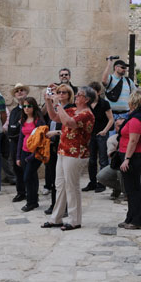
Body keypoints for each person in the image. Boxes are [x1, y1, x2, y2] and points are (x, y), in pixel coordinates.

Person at [41, 85, 95, 231]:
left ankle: (74, 220)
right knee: (60, 185)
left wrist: (58, 104)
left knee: (72, 186)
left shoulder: (87, 114)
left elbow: (69, 123)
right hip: (63, 151)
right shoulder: (72, 110)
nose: (76, 96)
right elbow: (54, 117)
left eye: (80, 95)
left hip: (76, 153)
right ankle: (56, 218)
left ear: (87, 99)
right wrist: (48, 101)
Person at [117, 90, 141, 230]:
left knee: (133, 190)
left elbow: (133, 140)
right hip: (136, 155)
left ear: (133, 103)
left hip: (134, 156)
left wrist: (127, 158)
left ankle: (139, 220)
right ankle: (131, 217)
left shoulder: (136, 119)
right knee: (131, 189)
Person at [43, 84, 71, 214]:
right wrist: (48, 100)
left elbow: (69, 128)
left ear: (69, 95)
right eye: (59, 92)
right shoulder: (56, 107)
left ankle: (64, 207)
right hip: (52, 145)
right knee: (54, 177)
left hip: (64, 146)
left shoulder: (70, 109)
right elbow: (50, 117)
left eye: (64, 92)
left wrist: (56, 133)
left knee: (63, 179)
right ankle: (54, 204)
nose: (60, 94)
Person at [83, 81, 114, 193]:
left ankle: (102, 183)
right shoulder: (86, 104)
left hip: (101, 134)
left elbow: (111, 119)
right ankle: (92, 182)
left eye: (93, 91)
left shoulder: (104, 103)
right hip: (90, 135)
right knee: (91, 160)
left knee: (103, 160)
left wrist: (105, 131)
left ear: (98, 92)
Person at [16, 97, 45, 212]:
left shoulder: (38, 121)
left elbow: (41, 140)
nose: (26, 108)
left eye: (29, 106)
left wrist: (32, 156)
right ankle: (34, 200)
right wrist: (18, 156)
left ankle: (30, 202)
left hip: (35, 153)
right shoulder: (23, 120)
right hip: (24, 151)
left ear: (34, 107)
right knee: (32, 177)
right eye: (24, 106)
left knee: (27, 177)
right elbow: (21, 138)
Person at [5, 83, 30, 203]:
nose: (19, 92)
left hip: (27, 143)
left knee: (28, 169)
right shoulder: (14, 111)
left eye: (22, 90)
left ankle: (31, 192)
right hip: (15, 143)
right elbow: (11, 128)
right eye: (17, 91)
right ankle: (21, 192)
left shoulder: (30, 108)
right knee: (17, 168)